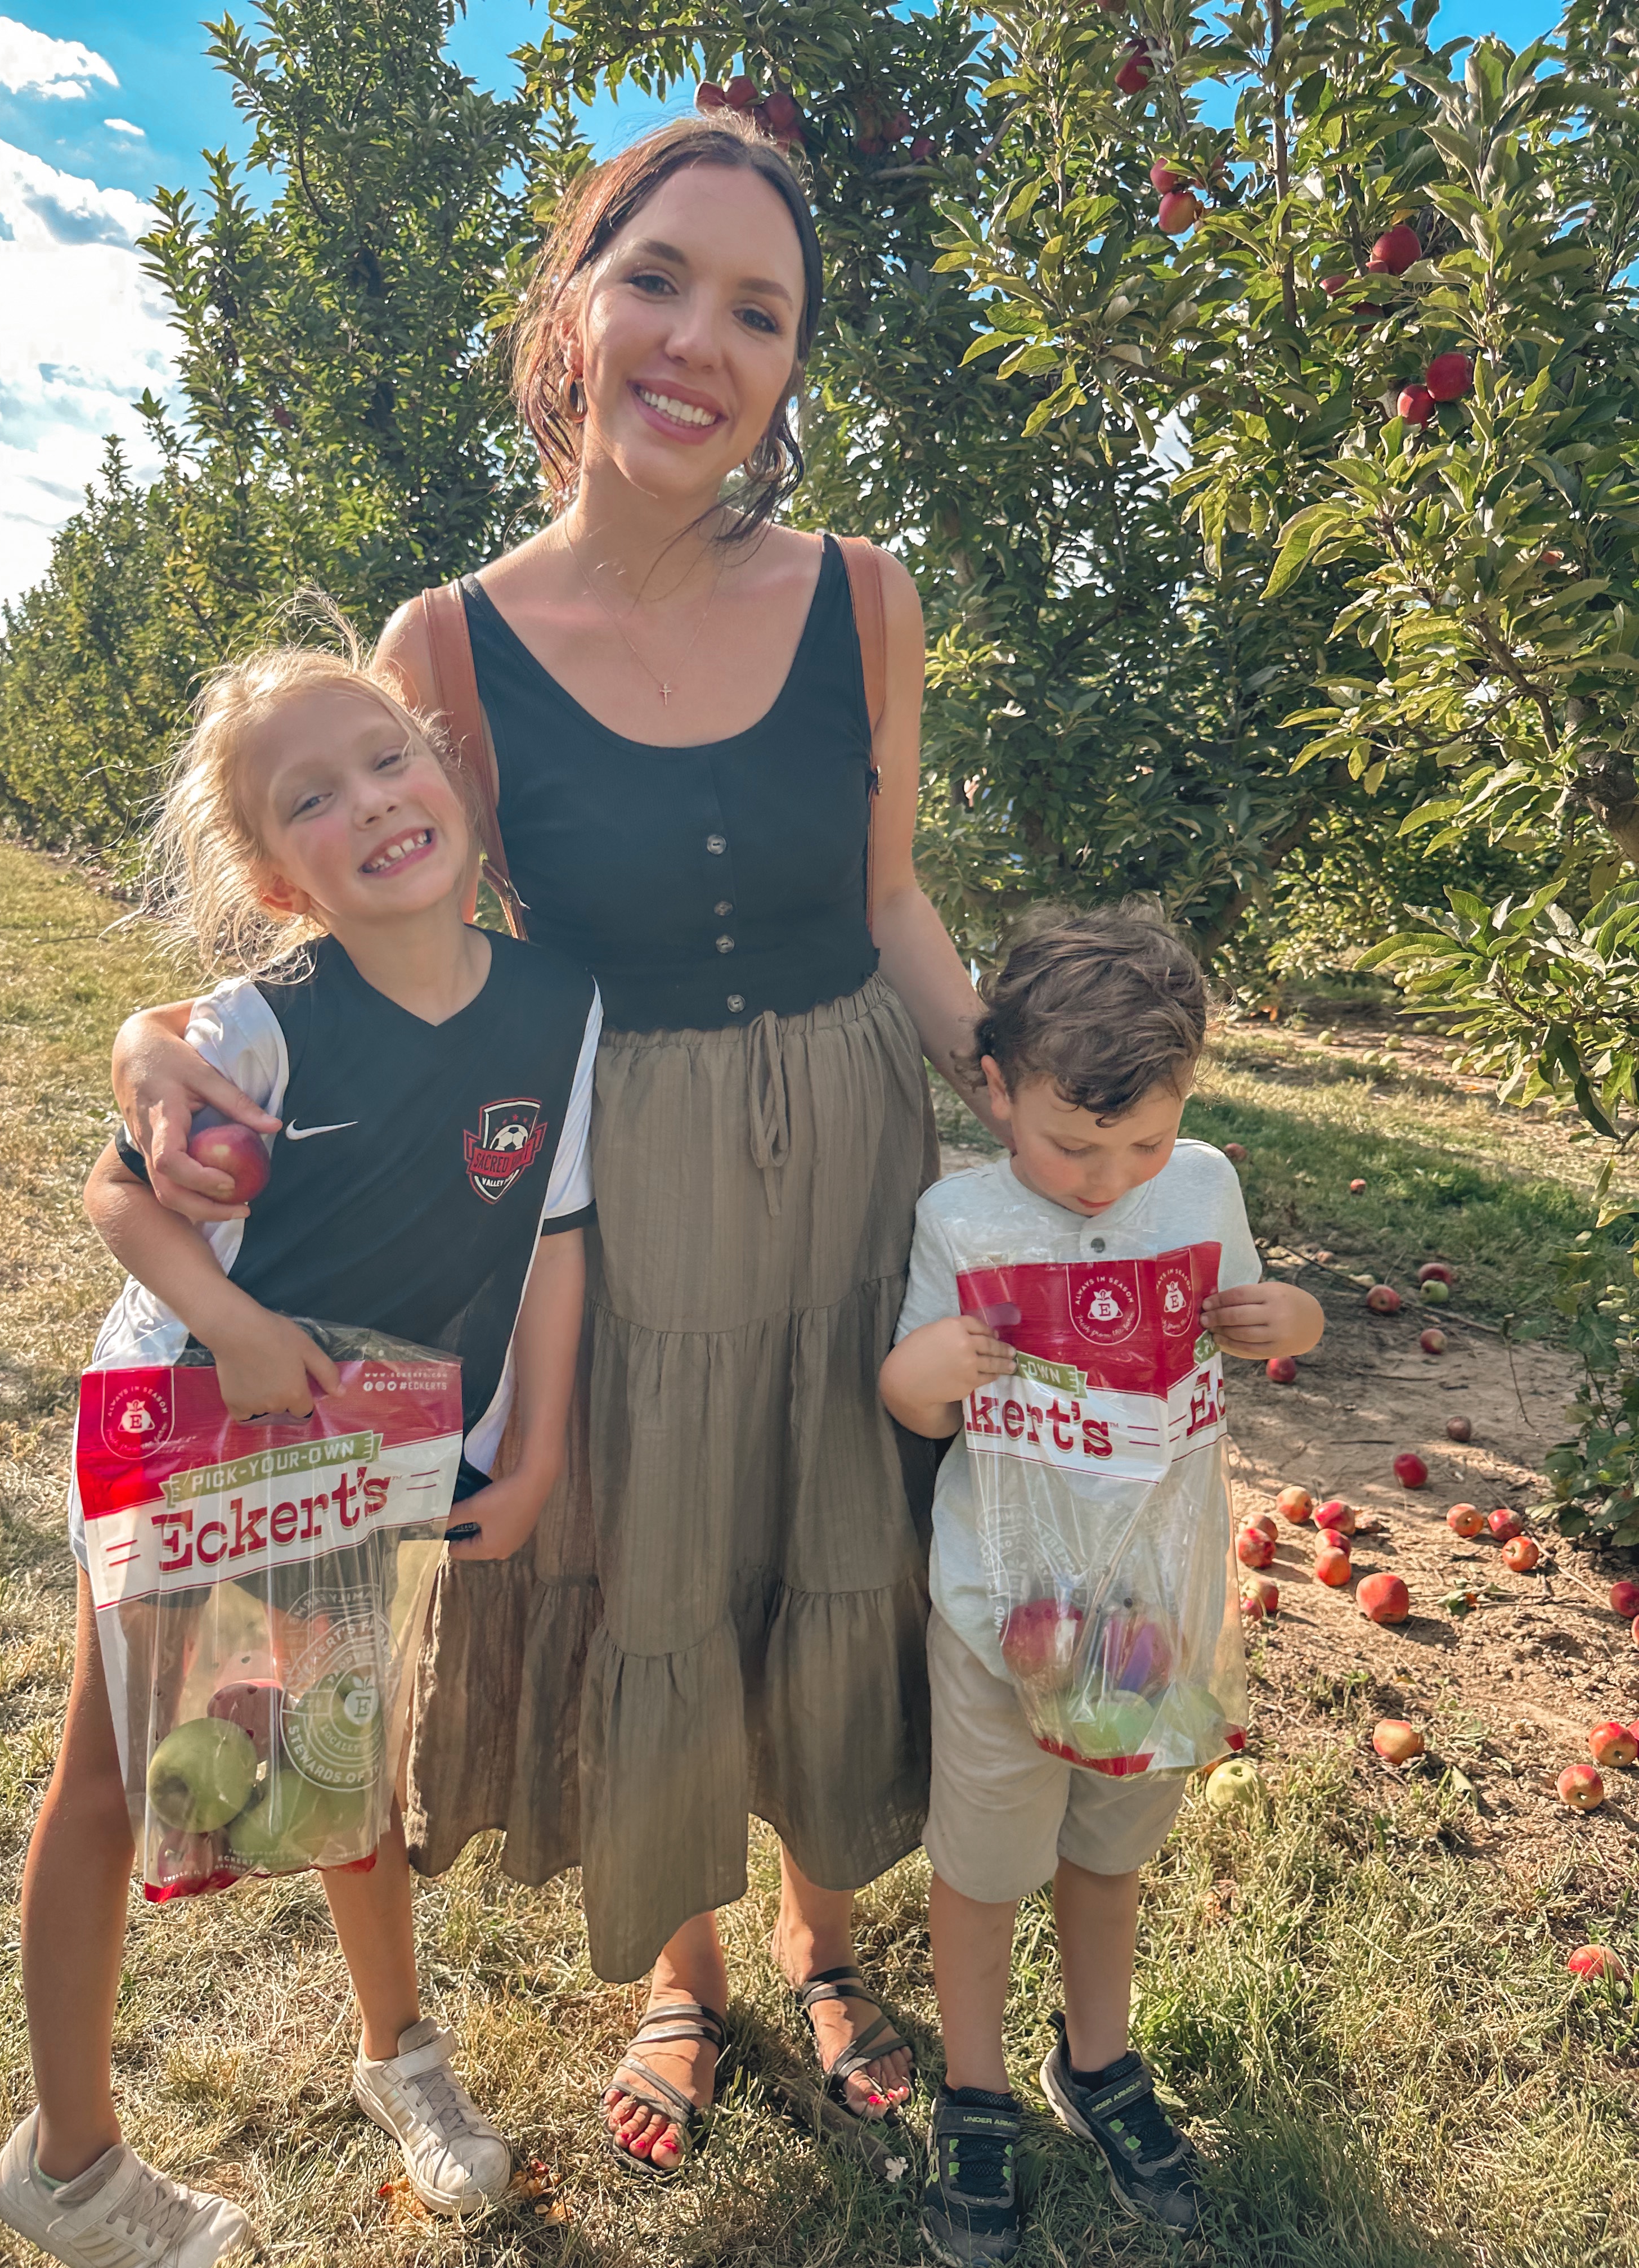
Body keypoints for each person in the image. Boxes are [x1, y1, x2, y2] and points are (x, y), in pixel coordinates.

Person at [107, 111, 997, 2176]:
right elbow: (358, 924)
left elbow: (890, 898)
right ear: (575, 310)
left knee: (823, 1522)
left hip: (846, 1135)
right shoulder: (447, 647)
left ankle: (824, 1934)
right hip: (621, 1163)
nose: (701, 340)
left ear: (788, 369)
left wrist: (1036, 1114)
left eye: (758, 312)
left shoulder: (868, 597)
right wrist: (166, 1038)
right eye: (660, 279)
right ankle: (683, 1969)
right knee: (650, 1548)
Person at [0, 627, 599, 2266]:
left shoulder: (559, 1005)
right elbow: (123, 1189)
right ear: (275, 876)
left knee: (344, 1743)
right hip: (192, 1429)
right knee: (114, 1778)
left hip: (365, 1450)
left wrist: (529, 1447)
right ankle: (68, 2161)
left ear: (453, 774)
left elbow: (558, 1230)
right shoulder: (260, 1030)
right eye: (312, 798)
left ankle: (399, 2054)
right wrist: (237, 1327)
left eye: (390, 757)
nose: (374, 803)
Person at [881, 907, 1324, 2264]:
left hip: (1151, 1615)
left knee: (1107, 1852)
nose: (1106, 1177)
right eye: (1075, 1144)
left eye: (1141, 1142)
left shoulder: (1199, 1190)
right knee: (986, 1863)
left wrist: (1288, 1318)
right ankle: (974, 2089)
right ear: (998, 1085)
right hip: (1003, 1611)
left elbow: (1252, 1322)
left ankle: (1099, 2059)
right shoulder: (960, 1216)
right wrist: (934, 1371)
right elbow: (908, 1398)